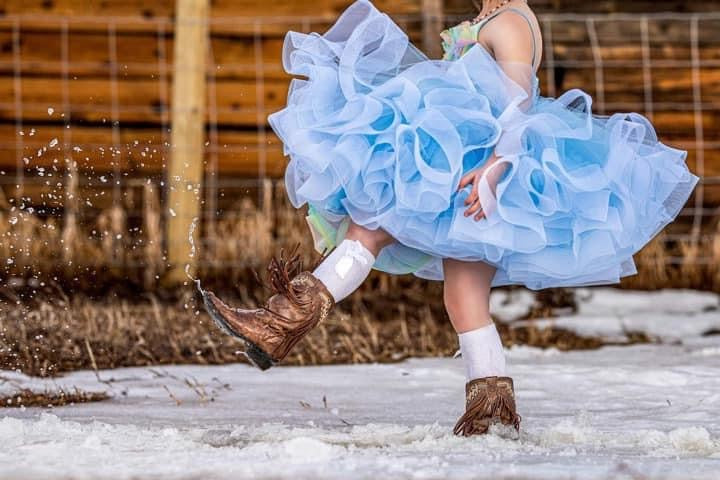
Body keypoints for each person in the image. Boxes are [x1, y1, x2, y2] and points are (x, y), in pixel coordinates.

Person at [200, 0, 698, 437]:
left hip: (472, 170)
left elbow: (520, 102)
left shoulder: (512, 23)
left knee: (372, 228)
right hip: (459, 164)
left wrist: (496, 167)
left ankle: (281, 324)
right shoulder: (493, 17)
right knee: (460, 295)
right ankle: (491, 407)